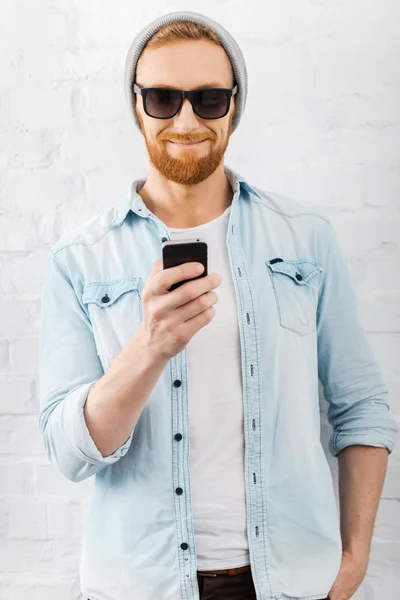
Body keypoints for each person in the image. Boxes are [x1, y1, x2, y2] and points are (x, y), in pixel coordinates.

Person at [38, 10, 398, 600]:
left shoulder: (304, 238)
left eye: (208, 99)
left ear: (234, 106)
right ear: (136, 105)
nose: (185, 119)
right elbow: (71, 453)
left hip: (289, 582)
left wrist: (354, 559)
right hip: (141, 586)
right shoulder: (80, 260)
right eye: (161, 98)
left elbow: (361, 407)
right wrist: (149, 347)